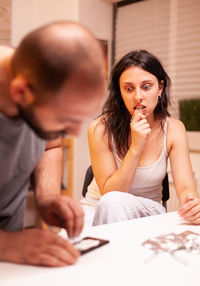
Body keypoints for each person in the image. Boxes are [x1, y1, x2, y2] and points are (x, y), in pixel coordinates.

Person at [0, 21, 105, 267]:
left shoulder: (34, 80)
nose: (75, 133)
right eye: (65, 120)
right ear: (21, 93)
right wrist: (8, 244)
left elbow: (51, 145)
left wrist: (47, 196)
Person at [81, 49, 200, 227]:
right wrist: (136, 147)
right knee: (70, 249)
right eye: (129, 89)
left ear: (160, 88)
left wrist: (191, 204)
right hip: (97, 207)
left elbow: (185, 189)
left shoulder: (174, 129)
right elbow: (110, 194)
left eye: (146, 87)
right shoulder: (99, 128)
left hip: (148, 212)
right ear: (120, 93)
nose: (138, 97)